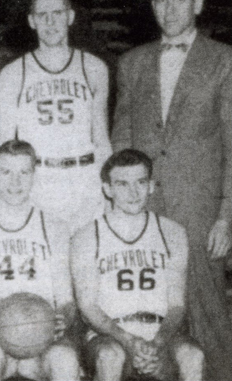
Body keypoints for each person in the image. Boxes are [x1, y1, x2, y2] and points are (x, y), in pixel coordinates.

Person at [110, 0, 232, 380]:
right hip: (142, 208)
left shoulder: (224, 60)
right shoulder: (131, 62)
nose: (170, 8)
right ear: (152, 6)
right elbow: (121, 141)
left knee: (207, 308)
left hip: (199, 208)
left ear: (197, 4)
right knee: (150, 308)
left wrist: (227, 216)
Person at [72, 149, 204, 381]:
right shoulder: (86, 236)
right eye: (122, 184)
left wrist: (158, 342)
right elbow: (88, 307)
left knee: (192, 355)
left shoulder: (173, 232)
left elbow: (176, 305)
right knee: (109, 356)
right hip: (110, 335)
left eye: (140, 182)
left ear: (151, 186)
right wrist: (129, 341)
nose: (133, 193)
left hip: (161, 332)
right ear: (107, 189)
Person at [0, 140, 78, 381]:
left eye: (23, 172)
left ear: (34, 176)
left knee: (66, 360)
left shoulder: (55, 227)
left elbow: (66, 301)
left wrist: (62, 320)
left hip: (40, 327)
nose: (15, 181)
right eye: (6, 172)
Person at [0, 0, 111, 234]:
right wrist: (1, 193)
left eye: (57, 13)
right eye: (42, 15)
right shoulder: (13, 73)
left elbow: (101, 139)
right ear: (31, 20)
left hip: (85, 181)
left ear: (70, 16)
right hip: (39, 182)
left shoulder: (94, 68)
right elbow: (3, 143)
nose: (50, 22)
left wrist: (108, 190)